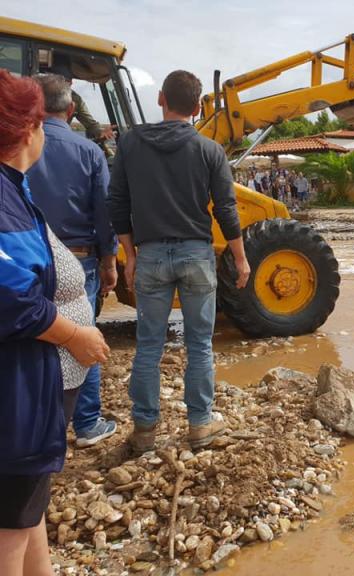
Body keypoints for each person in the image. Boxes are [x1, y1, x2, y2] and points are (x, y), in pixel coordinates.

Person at [0, 69, 110, 576]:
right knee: (11, 527)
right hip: (18, 390)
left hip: (33, 387)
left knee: (28, 508)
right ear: (30, 130)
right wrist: (76, 336)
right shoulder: (6, 203)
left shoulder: (16, 190)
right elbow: (12, 299)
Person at [108, 70, 251, 453]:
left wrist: (130, 255)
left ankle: (144, 432)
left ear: (160, 99)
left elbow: (117, 203)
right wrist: (240, 259)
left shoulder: (132, 144)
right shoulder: (209, 150)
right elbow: (226, 209)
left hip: (151, 254)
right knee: (200, 345)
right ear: (198, 106)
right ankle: (200, 426)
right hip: (196, 255)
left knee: (149, 345)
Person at [27, 73, 119, 448]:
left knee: (31, 338)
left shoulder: (17, 145)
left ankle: (33, 426)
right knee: (84, 338)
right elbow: (104, 215)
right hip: (79, 260)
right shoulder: (90, 151)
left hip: (27, 258)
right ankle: (86, 424)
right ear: (71, 109)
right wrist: (111, 262)